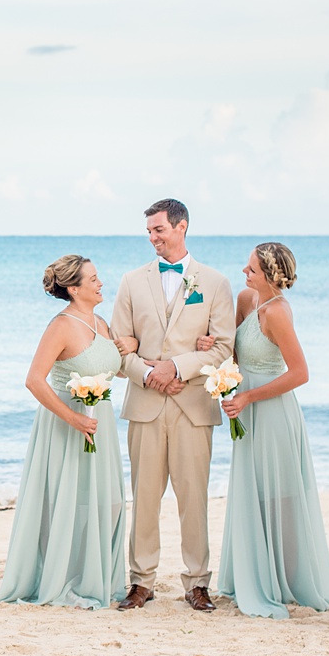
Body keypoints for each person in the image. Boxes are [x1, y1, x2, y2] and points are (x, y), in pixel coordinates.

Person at [110, 198, 235, 612]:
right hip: (145, 404)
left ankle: (197, 582)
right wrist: (149, 375)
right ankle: (141, 581)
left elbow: (222, 350)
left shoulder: (215, 283)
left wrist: (177, 367)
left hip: (193, 407)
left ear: (181, 226)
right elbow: (119, 347)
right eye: (148, 231)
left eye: (158, 229)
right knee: (143, 497)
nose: (152, 237)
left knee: (193, 498)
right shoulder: (131, 281)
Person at [214, 243, 329, 619]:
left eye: (251, 269)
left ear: (270, 275)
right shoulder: (245, 299)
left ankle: (284, 578)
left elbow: (299, 373)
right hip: (246, 410)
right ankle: (252, 573)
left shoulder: (279, 313)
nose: (244, 272)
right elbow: (236, 353)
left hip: (272, 413)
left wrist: (249, 396)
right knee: (251, 490)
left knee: (279, 494)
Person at [0, 255, 127, 609]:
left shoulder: (101, 321)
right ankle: (65, 578)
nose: (101, 283)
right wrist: (74, 418)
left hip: (103, 424)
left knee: (108, 501)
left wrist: (134, 351)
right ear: (73, 288)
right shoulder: (61, 326)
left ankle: (97, 576)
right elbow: (34, 380)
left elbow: (116, 367)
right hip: (68, 426)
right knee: (68, 502)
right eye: (94, 279)